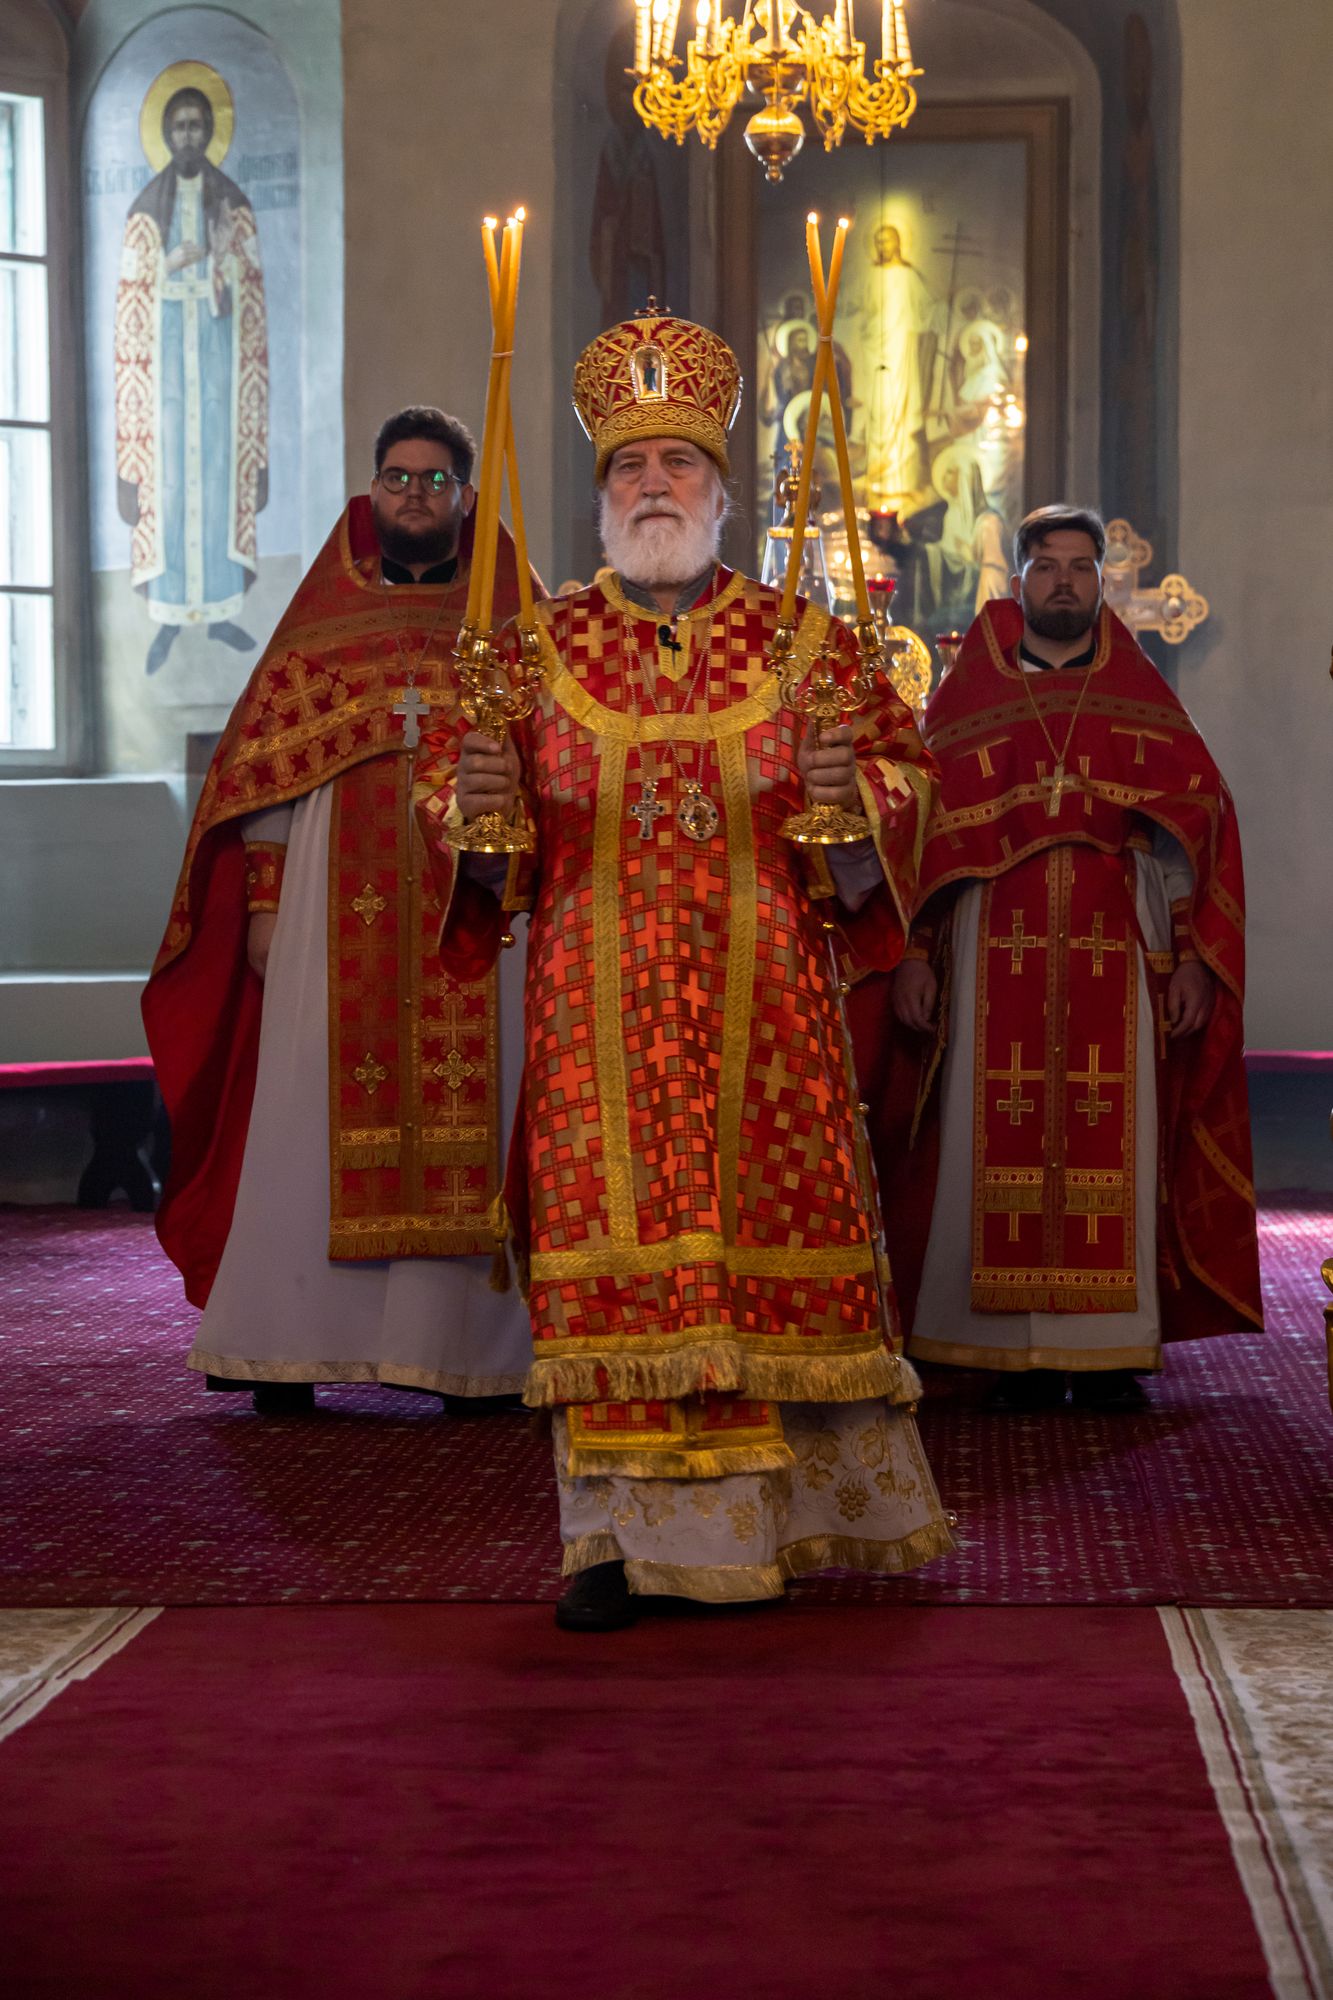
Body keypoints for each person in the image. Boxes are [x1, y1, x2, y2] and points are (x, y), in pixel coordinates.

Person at [416, 310, 953, 1630]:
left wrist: (852, 796)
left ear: (722, 489)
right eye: (628, 465)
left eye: (678, 463)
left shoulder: (809, 645)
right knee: (613, 1259)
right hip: (593, 1012)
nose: (652, 483)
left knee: (766, 1248)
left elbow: (906, 791)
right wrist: (473, 813)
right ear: (600, 493)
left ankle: (783, 1524)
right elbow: (469, 836)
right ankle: (611, 1543)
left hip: (767, 1016)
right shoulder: (530, 653)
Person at [142, 407, 536, 1416]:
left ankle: (462, 1352)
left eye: (435, 480)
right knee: (304, 1112)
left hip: (470, 903)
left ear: (465, 496)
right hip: (331, 907)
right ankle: (282, 1341)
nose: (414, 494)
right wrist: (264, 904)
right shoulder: (321, 623)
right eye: (397, 477)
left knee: (477, 1111)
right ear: (371, 491)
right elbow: (262, 781)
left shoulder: (511, 626)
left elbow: (555, 761)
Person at [857, 505, 1262, 1412]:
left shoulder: (1137, 693)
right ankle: (997, 1346)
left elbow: (1191, 833)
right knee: (983, 1133)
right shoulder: (968, 697)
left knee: (1113, 1139)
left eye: (1081, 568)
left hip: (1115, 955)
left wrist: (1192, 959)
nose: (1065, 583)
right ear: (1019, 580)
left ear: (1100, 582)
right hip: (986, 955)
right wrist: (915, 955)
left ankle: (1108, 1351)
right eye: (1048, 567)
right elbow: (922, 845)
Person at [115, 79, 268, 676]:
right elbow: (129, 301)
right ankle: (169, 615)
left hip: (219, 366)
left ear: (208, 133)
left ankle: (222, 611)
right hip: (164, 378)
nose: (186, 136)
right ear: (165, 134)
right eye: (177, 126)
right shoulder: (144, 210)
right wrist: (164, 268)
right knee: (171, 483)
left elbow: (251, 297)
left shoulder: (232, 203)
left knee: (217, 480)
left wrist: (220, 265)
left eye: (195, 126)